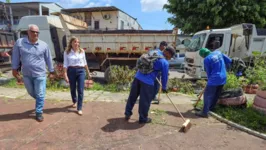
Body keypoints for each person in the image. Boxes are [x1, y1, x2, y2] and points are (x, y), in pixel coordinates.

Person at [11, 24, 55, 122]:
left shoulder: (43, 45)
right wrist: (14, 69)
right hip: (26, 74)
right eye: (33, 31)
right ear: (28, 32)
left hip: (40, 74)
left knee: (39, 93)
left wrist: (51, 71)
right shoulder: (20, 43)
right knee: (31, 92)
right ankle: (41, 99)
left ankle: (39, 112)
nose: (35, 33)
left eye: (37, 32)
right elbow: (15, 57)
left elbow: (48, 59)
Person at [124, 46, 176, 124]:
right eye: (170, 56)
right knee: (144, 101)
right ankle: (143, 118)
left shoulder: (154, 52)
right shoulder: (164, 62)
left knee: (132, 97)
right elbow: (164, 77)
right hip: (147, 83)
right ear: (167, 53)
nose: (170, 58)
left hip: (137, 77)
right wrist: (164, 87)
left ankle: (127, 114)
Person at [195, 48, 232, 118]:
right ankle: (211, 108)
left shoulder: (206, 59)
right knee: (216, 94)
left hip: (214, 79)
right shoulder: (218, 52)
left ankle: (204, 112)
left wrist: (209, 81)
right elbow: (229, 61)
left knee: (207, 95)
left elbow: (208, 72)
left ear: (203, 55)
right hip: (223, 77)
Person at [63, 36, 91, 115]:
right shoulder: (67, 52)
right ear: (71, 43)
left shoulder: (81, 51)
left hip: (81, 71)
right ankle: (74, 100)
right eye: (75, 42)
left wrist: (88, 72)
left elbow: (85, 62)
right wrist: (65, 74)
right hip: (71, 71)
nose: (76, 43)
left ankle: (79, 108)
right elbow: (65, 64)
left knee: (80, 89)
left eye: (78, 42)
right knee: (72, 88)